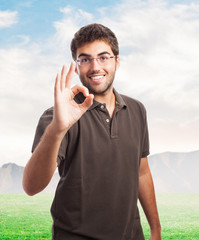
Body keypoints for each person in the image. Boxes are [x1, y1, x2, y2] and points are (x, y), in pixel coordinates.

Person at [22, 23, 161, 240]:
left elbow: (141, 172)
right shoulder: (56, 117)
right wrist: (58, 128)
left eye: (104, 57)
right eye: (85, 59)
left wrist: (156, 229)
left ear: (117, 61)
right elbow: (31, 186)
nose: (95, 66)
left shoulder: (136, 110)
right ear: (77, 66)